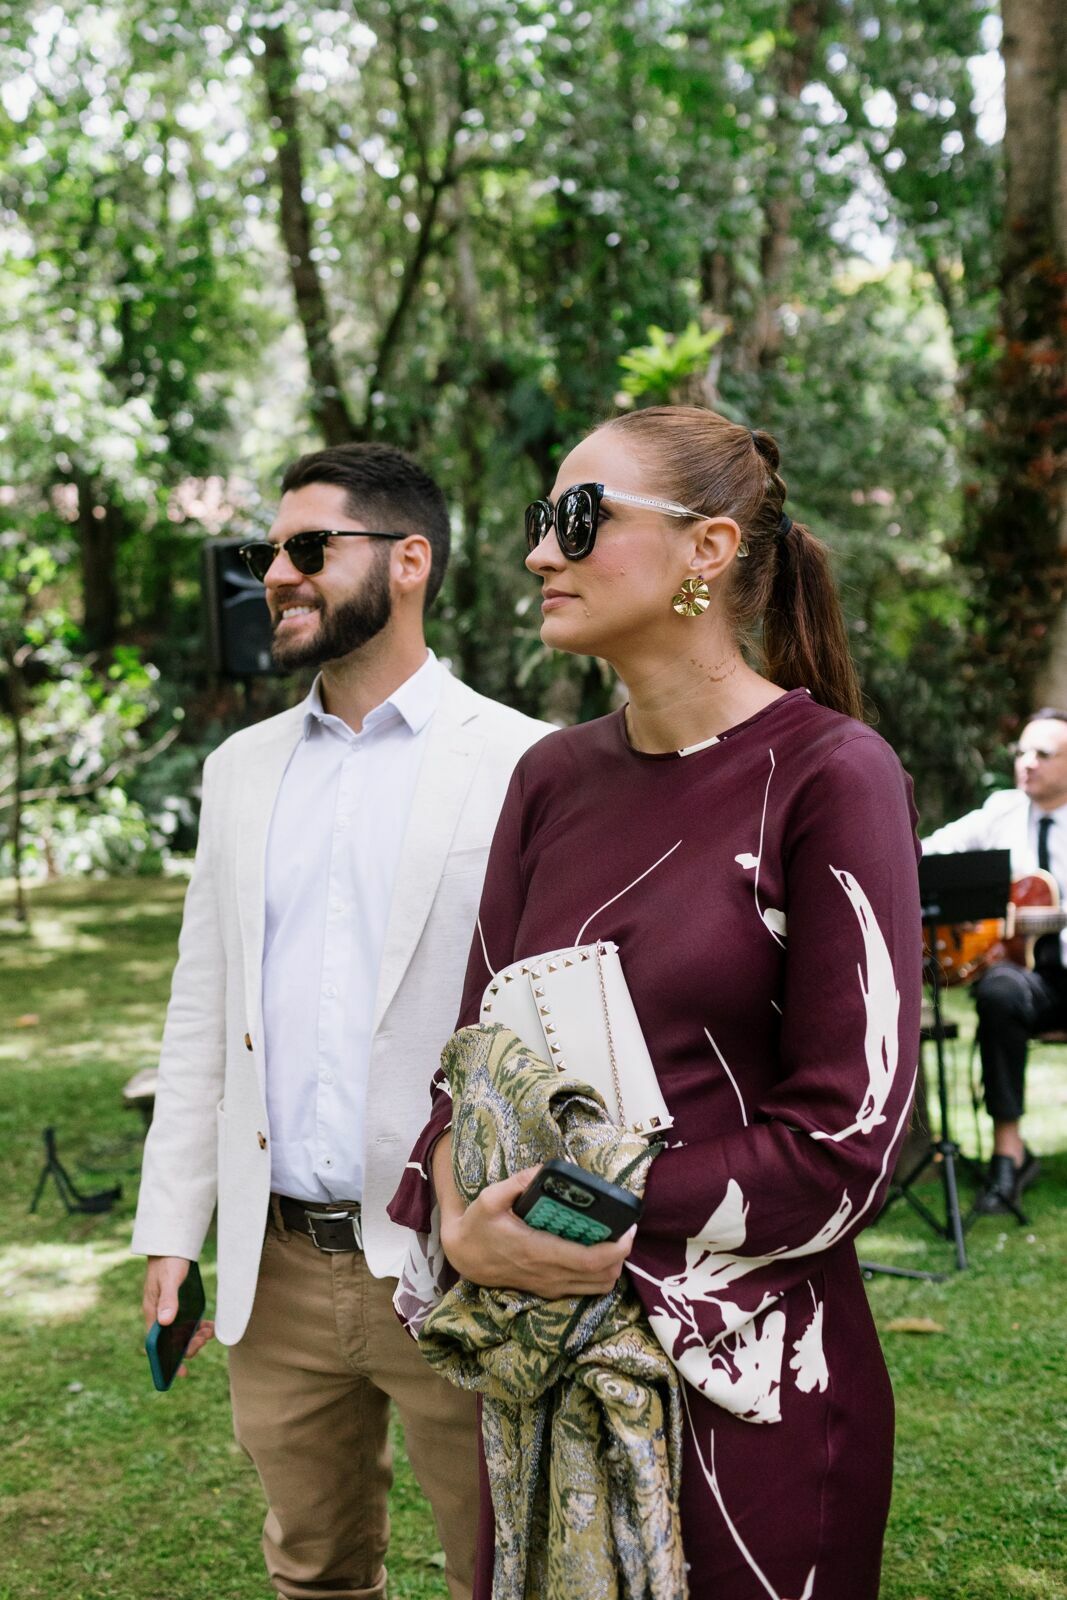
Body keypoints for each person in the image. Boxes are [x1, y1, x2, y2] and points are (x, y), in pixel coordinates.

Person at [390, 406, 923, 1600]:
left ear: (707, 549)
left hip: (750, 1394)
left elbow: (849, 1141)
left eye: (577, 519)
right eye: (542, 522)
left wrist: (581, 1220)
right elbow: (469, 1064)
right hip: (542, 1388)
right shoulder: (550, 778)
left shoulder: (832, 774)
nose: (540, 552)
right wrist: (462, 1216)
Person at [133, 442, 551, 1600]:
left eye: (308, 548)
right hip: (273, 1267)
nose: (274, 572)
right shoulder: (238, 769)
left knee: (501, 1566)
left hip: (457, 1264)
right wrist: (173, 1225)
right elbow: (200, 1007)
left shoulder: (526, 762)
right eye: (269, 550)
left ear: (407, 560)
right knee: (311, 1567)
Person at [921, 709, 1067, 1212]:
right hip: (1031, 980)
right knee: (998, 991)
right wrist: (965, 909)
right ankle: (1010, 1152)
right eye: (1021, 752)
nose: (1027, 763)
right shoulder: (1001, 810)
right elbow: (929, 857)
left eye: (1042, 754)